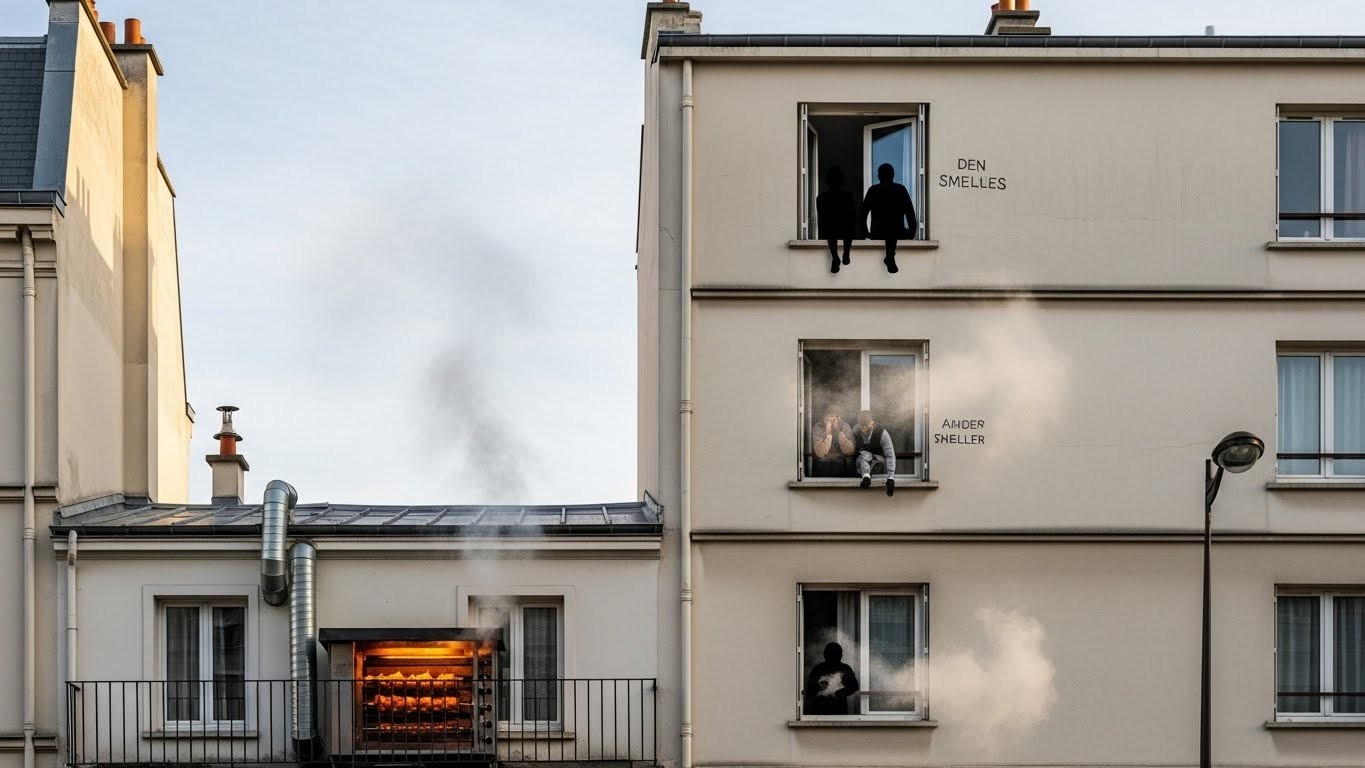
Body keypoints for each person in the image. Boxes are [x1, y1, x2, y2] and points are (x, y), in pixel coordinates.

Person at [860, 162, 918, 274]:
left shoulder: (873, 190)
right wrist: (912, 232)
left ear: (878, 176)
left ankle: (890, 256)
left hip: (878, 232)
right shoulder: (900, 189)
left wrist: (865, 233)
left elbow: (863, 214)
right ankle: (890, 256)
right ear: (893, 175)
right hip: (896, 231)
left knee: (890, 227)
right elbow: (910, 213)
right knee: (892, 227)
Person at [815, 165, 858, 274]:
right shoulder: (847, 196)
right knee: (841, 231)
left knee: (835, 231)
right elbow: (853, 216)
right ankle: (844, 254)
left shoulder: (822, 197)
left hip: (835, 228)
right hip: (837, 228)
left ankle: (839, 256)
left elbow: (822, 218)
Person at [805, 642, 860, 715]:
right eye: (831, 653)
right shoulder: (818, 669)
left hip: (837, 710)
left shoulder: (844, 669)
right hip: (821, 710)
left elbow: (854, 686)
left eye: (835, 653)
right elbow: (810, 689)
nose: (833, 656)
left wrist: (840, 692)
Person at [854, 410, 896, 496]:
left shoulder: (882, 433)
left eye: (866, 425)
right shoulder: (856, 430)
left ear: (872, 423)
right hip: (862, 462)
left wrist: (890, 478)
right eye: (862, 426)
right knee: (863, 455)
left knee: (865, 454)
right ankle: (866, 478)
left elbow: (890, 455)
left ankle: (867, 475)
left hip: (879, 461)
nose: (863, 429)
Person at [811, 405, 855, 477]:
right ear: (825, 417)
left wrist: (838, 431)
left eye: (837, 416)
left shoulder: (845, 426)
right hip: (822, 466)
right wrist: (829, 433)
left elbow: (849, 451)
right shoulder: (818, 427)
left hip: (842, 466)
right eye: (831, 416)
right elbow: (820, 453)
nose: (834, 420)